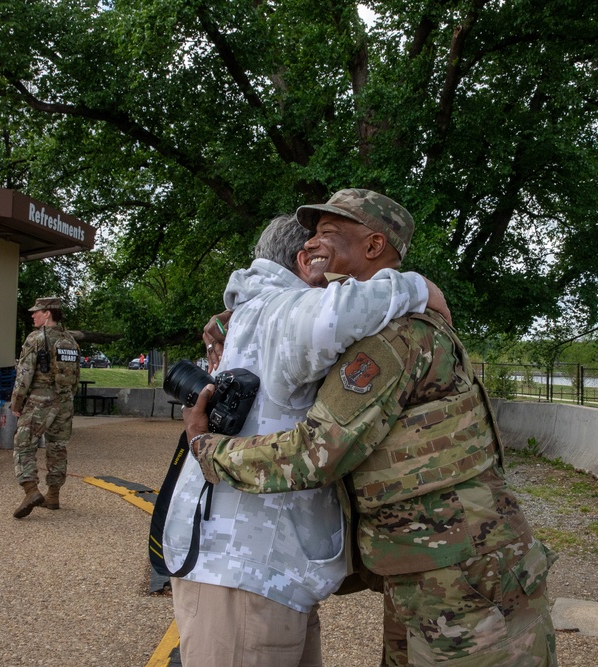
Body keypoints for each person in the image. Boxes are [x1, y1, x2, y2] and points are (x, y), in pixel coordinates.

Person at [186, 189, 557, 666]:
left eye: (327, 235)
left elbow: (317, 452)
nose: (310, 249)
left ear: (374, 246)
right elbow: (302, 316)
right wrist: (232, 322)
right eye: (308, 239)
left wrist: (207, 448)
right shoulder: (377, 319)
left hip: (465, 572)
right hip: (432, 567)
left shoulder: (395, 337)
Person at [164, 209, 447, 666]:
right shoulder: (284, 311)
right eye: (319, 245)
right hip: (244, 572)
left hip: (267, 571)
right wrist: (421, 287)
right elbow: (341, 313)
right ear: (304, 262)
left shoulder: (255, 312)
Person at [10, 296, 81, 518]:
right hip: (65, 401)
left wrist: (17, 402)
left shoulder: (36, 338)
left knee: (23, 444)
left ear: (47, 313)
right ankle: (53, 495)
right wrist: (67, 398)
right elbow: (76, 376)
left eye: (36, 311)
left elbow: (24, 375)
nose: (33, 315)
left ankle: (31, 490)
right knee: (57, 446)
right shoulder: (71, 341)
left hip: (40, 399)